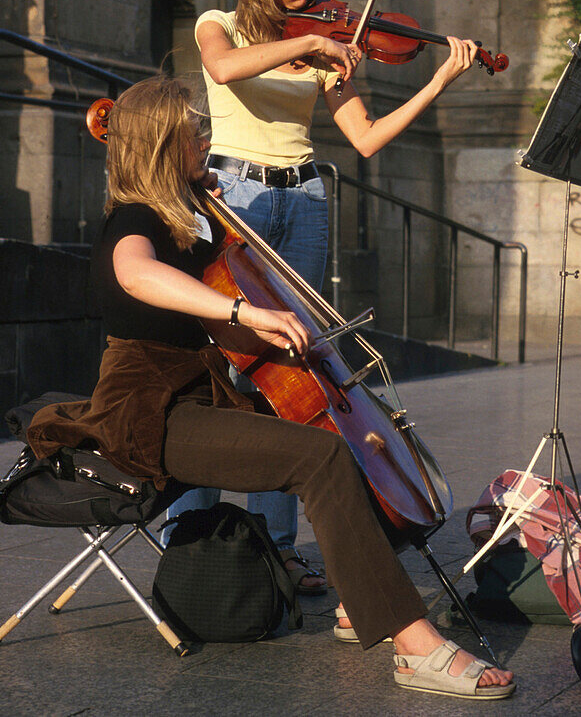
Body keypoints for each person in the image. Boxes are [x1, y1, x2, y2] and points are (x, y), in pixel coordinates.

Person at [25, 77, 515, 701]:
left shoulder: (188, 213)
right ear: (161, 143)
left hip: (199, 394)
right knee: (321, 456)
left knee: (341, 434)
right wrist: (244, 312)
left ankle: (362, 596)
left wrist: (207, 208)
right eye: (195, 130)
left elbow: (206, 267)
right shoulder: (134, 217)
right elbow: (135, 272)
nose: (208, 137)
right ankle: (413, 643)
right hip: (150, 410)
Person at [166, 0, 480, 597]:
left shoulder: (324, 48)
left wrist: (436, 84)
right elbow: (222, 66)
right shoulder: (218, 22)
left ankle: (278, 548)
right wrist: (305, 40)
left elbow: (365, 139)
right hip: (235, 200)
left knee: (290, 371)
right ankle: (186, 533)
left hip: (303, 201)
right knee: (221, 364)